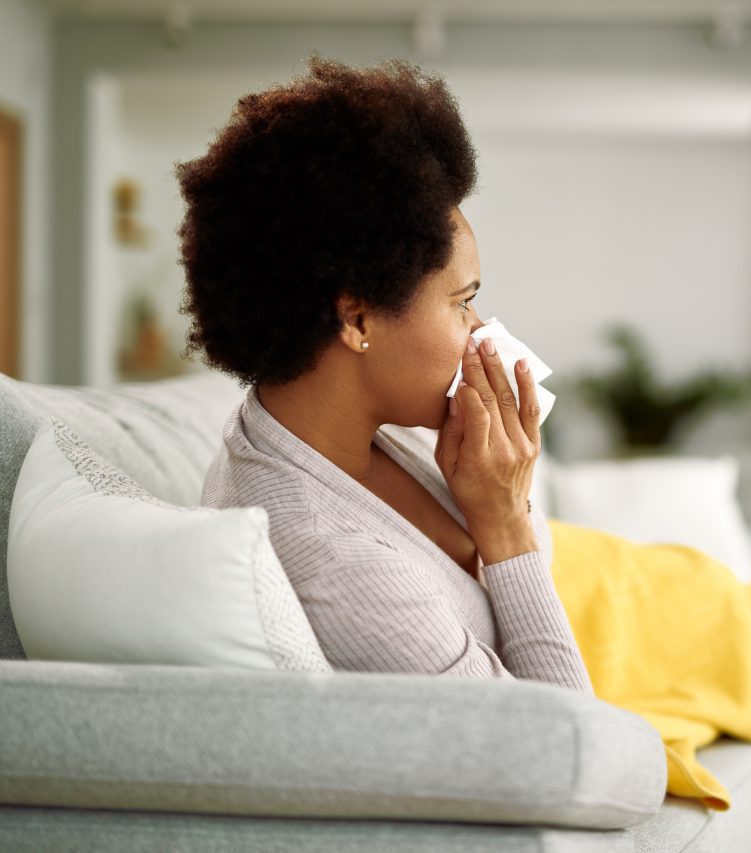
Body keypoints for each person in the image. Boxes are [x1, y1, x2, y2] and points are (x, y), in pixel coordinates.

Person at [181, 54, 593, 693]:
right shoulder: (335, 567)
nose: (482, 329)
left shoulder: (343, 426)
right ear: (357, 317)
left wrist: (505, 499)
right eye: (462, 302)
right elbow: (566, 750)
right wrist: (506, 528)